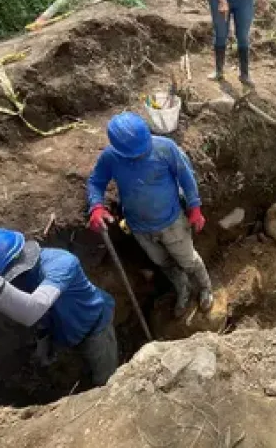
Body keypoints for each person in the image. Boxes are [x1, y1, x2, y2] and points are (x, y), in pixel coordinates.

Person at [0, 227, 118, 386]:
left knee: (105, 379)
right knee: (72, 359)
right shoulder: (22, 278)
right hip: (61, 326)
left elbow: (33, 309)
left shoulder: (61, 264)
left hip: (94, 325)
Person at [87, 112, 213, 317]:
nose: (141, 155)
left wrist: (195, 208)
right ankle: (184, 289)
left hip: (171, 222)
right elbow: (96, 181)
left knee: (188, 260)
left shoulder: (165, 148)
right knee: (163, 262)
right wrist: (96, 206)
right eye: (135, 153)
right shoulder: (111, 157)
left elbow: (186, 176)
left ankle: (205, 287)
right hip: (140, 227)